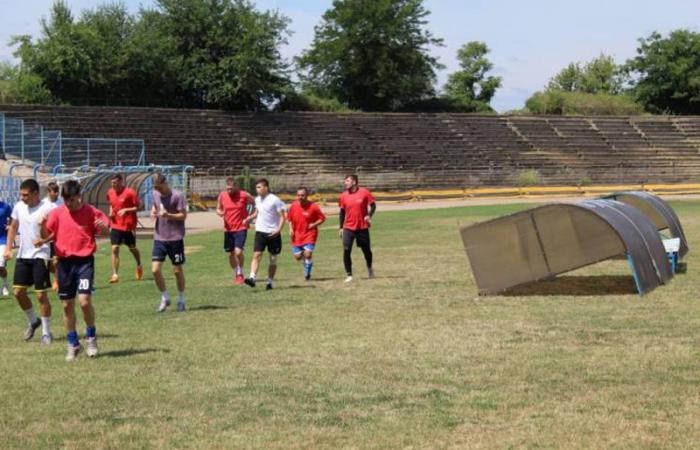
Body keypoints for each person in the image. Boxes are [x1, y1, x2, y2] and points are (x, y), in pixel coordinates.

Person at [40, 180, 110, 361]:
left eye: (71, 199)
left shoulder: (91, 212)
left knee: (85, 301)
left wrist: (104, 229)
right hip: (64, 264)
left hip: (84, 262)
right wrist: (42, 225)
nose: (68, 203)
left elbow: (106, 232)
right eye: (65, 200)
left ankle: (91, 338)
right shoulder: (56, 213)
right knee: (67, 305)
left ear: (79, 196)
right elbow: (45, 235)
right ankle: (73, 343)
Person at [4, 179, 55, 343]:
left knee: (41, 295)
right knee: (18, 292)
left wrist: (44, 240)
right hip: (23, 255)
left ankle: (46, 332)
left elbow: (57, 230)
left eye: (25, 195)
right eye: (21, 194)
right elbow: (13, 227)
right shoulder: (19, 207)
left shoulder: (48, 208)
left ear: (35, 193)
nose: (22, 197)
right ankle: (33, 321)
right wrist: (8, 248)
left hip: (41, 254)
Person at [150, 173, 188, 312]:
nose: (157, 190)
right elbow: (155, 206)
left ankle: (181, 299)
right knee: (155, 270)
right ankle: (165, 297)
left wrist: (168, 215)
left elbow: (183, 215)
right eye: (155, 188)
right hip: (159, 237)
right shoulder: (155, 194)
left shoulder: (177, 196)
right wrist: (153, 212)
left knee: (177, 271)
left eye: (159, 187)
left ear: (165, 183)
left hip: (175, 238)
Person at [244, 179, 286, 290]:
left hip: (273, 233)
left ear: (266, 187)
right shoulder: (257, 200)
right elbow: (257, 213)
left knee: (273, 259)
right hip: (260, 232)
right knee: (256, 255)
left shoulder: (275, 200)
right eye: (256, 187)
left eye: (259, 187)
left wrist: (278, 230)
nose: (257, 189)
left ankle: (270, 282)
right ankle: (252, 278)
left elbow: (282, 217)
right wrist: (249, 218)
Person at [216, 177, 255, 285]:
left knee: (238, 251)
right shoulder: (222, 195)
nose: (229, 191)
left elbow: (254, 203)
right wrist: (220, 212)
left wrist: (250, 216)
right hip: (228, 229)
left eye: (231, 189)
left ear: (236, 187)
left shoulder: (244, 195)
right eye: (227, 189)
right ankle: (237, 273)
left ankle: (240, 271)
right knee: (231, 254)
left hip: (241, 227)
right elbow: (218, 208)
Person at [338, 175, 376, 282]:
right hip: (348, 227)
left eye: (347, 181)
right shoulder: (343, 196)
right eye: (345, 181)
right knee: (346, 250)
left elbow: (373, 205)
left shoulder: (364, 192)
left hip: (362, 227)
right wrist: (341, 227)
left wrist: (369, 215)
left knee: (367, 251)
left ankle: (369, 268)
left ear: (354, 182)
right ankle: (349, 275)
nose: (345, 183)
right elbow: (342, 212)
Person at [106, 173, 143, 283]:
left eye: (115, 183)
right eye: (111, 183)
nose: (113, 185)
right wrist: (111, 212)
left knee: (132, 249)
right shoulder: (110, 192)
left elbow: (139, 207)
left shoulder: (130, 193)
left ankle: (139, 265)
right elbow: (111, 203)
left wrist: (126, 210)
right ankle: (115, 275)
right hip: (115, 224)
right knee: (114, 248)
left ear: (121, 182)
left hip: (128, 225)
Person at [287, 187, 326, 281]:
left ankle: (307, 272)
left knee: (307, 254)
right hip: (297, 234)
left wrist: (313, 225)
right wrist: (290, 229)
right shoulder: (293, 206)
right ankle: (307, 263)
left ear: (307, 195)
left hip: (310, 233)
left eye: (302, 195)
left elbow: (322, 218)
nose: (300, 197)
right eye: (298, 195)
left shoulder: (313, 206)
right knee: (298, 257)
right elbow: (289, 219)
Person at [44, 181, 63, 291]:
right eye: (54, 191)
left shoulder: (62, 203)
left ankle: (57, 281)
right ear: (48, 192)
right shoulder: (43, 204)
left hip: (59, 236)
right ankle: (49, 280)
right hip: (46, 237)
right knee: (48, 261)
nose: (56, 193)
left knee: (56, 260)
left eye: (57, 191)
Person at [0, 197, 12, 296]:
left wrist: (10, 226)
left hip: (3, 240)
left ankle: (4, 284)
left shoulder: (5, 206)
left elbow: (13, 217)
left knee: (0, 265)